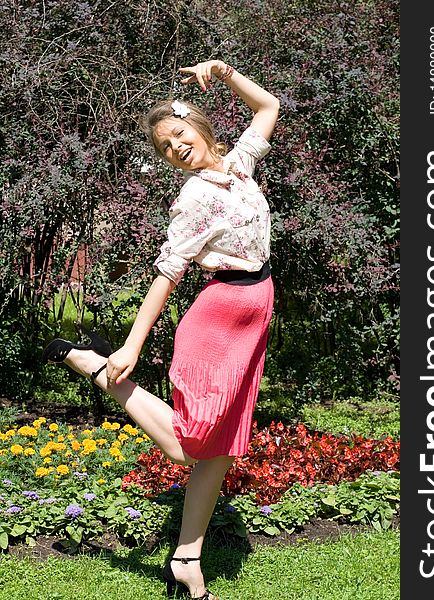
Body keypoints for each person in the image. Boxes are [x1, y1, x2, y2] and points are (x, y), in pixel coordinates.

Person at [43, 59, 279, 600]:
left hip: (254, 313)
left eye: (179, 134)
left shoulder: (240, 164)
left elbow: (268, 107)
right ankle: (100, 368)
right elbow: (167, 273)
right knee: (189, 447)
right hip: (220, 316)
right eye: (166, 147)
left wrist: (222, 72)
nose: (176, 147)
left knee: (219, 449)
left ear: (198, 125)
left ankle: (186, 560)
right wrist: (132, 344)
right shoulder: (194, 197)